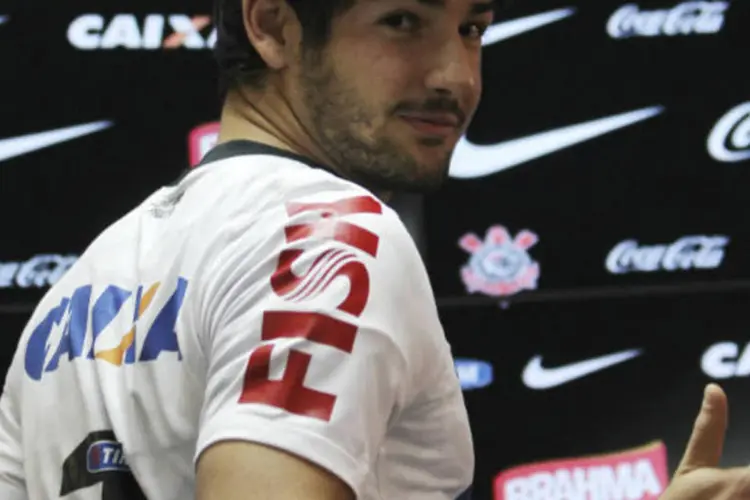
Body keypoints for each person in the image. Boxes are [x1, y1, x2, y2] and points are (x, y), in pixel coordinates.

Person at [0, 0, 744, 499]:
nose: (456, 76)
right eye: (401, 22)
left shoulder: (74, 293)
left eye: (471, 29)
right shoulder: (331, 237)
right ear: (273, 26)